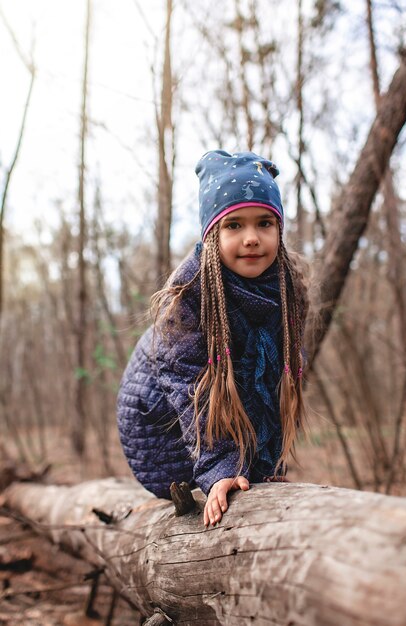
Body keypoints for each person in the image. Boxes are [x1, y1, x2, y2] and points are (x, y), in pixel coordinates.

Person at [117, 149, 310, 528]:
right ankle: (224, 467)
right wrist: (219, 469)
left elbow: (270, 380)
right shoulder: (190, 298)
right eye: (234, 226)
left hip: (218, 423)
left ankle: (248, 466)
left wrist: (266, 461)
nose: (252, 238)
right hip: (162, 432)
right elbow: (193, 393)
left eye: (265, 224)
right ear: (211, 235)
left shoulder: (287, 289)